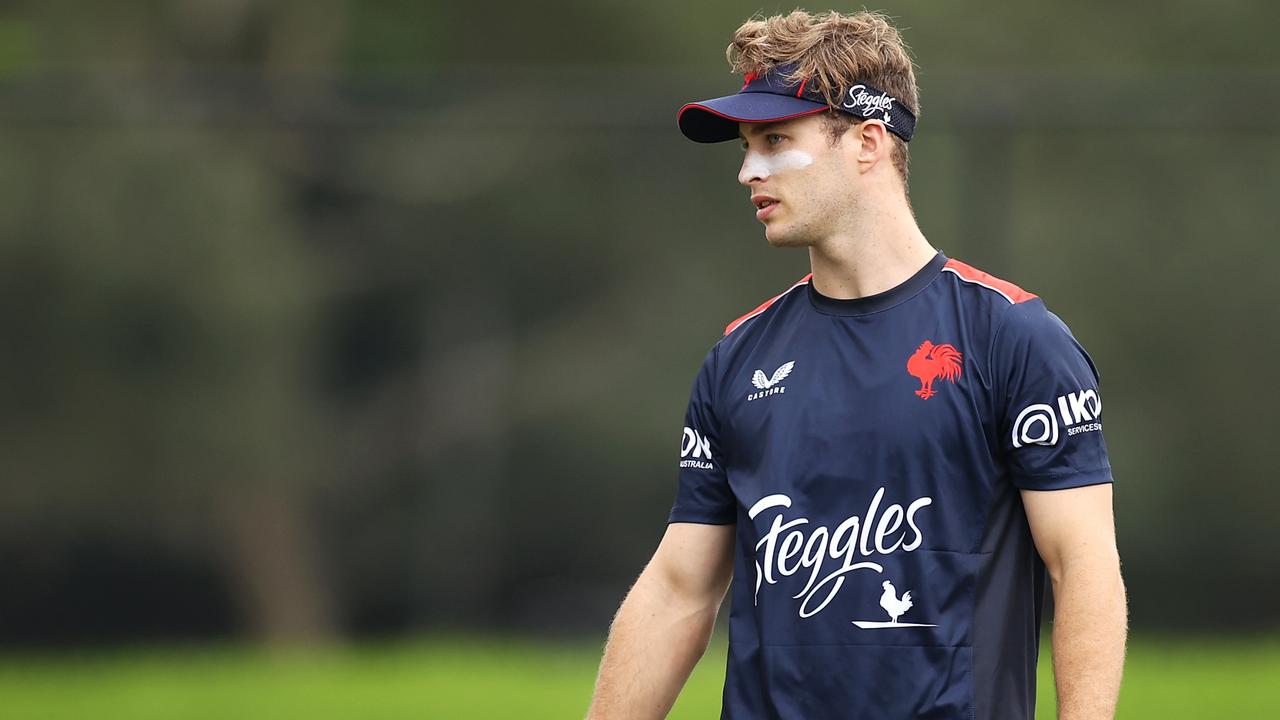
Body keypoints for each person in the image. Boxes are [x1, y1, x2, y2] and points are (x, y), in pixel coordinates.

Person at [586, 9, 1126, 720]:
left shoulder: (1014, 338)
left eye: (776, 140)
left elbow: (1082, 568)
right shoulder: (737, 359)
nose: (749, 169)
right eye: (748, 145)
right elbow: (679, 590)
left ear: (868, 142)